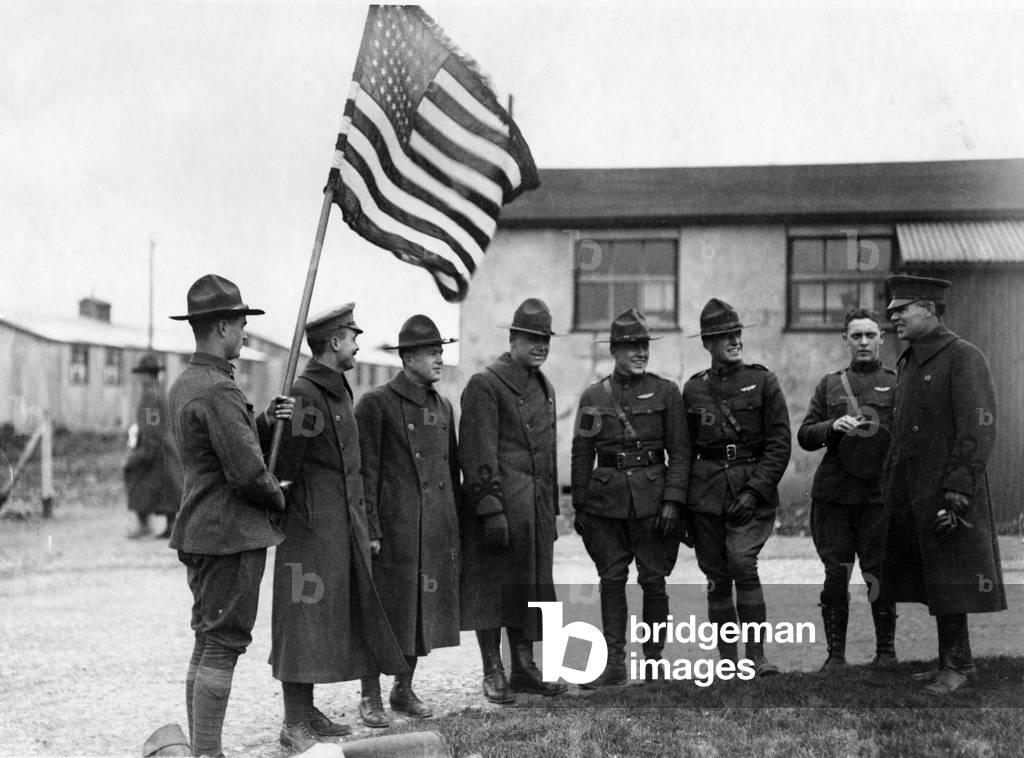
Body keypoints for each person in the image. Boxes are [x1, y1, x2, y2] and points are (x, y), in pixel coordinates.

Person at [270, 303, 407, 750]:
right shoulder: (307, 394)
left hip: (338, 524)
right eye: (352, 337)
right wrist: (302, 517)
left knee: (324, 620)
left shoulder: (335, 390)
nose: (357, 344)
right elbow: (286, 467)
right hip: (311, 528)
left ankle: (306, 710)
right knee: (303, 620)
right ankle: (294, 722)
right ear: (334, 343)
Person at [166, 274, 292, 758]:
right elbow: (245, 472)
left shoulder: (188, 383)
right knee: (223, 644)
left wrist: (260, 423)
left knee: (207, 640)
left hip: (201, 529)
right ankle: (209, 754)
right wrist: (279, 497)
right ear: (221, 326)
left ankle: (203, 751)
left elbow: (215, 449)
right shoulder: (218, 390)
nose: (245, 333)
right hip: (229, 535)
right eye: (241, 323)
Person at [880, 274, 1006, 695]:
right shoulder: (912, 359)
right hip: (916, 490)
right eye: (892, 310)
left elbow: (978, 427)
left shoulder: (962, 356)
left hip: (948, 490)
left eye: (902, 309)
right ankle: (958, 661)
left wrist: (958, 489)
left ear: (929, 311)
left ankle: (954, 665)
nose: (892, 316)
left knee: (951, 576)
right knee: (934, 577)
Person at [570, 308, 688, 686]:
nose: (640, 352)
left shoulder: (667, 392)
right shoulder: (593, 395)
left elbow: (681, 451)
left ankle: (653, 662)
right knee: (611, 579)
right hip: (606, 504)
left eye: (644, 346)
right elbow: (582, 451)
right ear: (615, 350)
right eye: (631, 346)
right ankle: (615, 663)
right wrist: (580, 504)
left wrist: (673, 501)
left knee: (653, 581)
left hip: (654, 502)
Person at [353, 315, 461, 726]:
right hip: (394, 532)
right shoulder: (376, 404)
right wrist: (373, 530)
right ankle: (370, 694)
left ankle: (403, 687)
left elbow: (451, 473)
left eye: (440, 351)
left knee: (421, 612)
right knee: (384, 611)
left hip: (433, 530)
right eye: (432, 352)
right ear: (409, 357)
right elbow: (367, 473)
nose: (439, 359)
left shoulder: (443, 405)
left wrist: (452, 526)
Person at [458, 298, 567, 703]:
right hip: (501, 512)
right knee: (492, 591)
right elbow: (477, 453)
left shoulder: (544, 386)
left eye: (545, 339)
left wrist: (550, 513)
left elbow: (548, 455)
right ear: (513, 339)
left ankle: (524, 667)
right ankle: (493, 670)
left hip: (534, 512)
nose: (540, 346)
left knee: (531, 589)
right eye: (532, 338)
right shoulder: (485, 384)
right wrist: (490, 510)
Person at [681, 298, 791, 676]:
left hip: (751, 487)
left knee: (743, 562)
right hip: (706, 493)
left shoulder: (763, 381)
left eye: (737, 333)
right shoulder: (693, 390)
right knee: (716, 575)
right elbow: (684, 452)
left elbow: (779, 444)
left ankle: (757, 657)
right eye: (723, 335)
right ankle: (728, 661)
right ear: (707, 343)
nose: (734, 341)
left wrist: (754, 491)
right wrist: (681, 506)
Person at [797, 308, 897, 670]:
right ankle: (835, 656)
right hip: (835, 495)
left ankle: (885, 653)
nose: (864, 342)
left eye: (871, 335)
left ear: (882, 338)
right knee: (836, 572)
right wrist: (831, 426)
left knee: (877, 572)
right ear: (846, 340)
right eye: (857, 336)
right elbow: (805, 435)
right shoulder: (830, 384)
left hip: (877, 497)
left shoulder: (896, 382)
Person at [124, 352, 183, 539]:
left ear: (149, 374)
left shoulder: (151, 396)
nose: (140, 377)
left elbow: (152, 423)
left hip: (155, 446)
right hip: (162, 445)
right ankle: (168, 525)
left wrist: (146, 448)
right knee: (166, 486)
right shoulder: (158, 392)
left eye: (143, 373)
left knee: (137, 476)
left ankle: (146, 524)